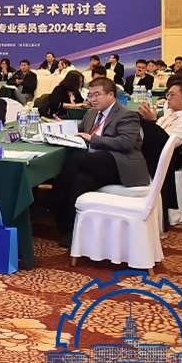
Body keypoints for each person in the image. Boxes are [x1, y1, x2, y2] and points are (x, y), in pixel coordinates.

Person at [49, 77, 146, 247]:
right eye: (90, 95)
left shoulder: (127, 115)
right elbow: (81, 130)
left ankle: (55, 202)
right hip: (96, 163)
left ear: (111, 95)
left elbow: (125, 143)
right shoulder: (91, 113)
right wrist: (63, 127)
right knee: (81, 180)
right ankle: (70, 228)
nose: (92, 99)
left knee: (76, 160)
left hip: (119, 163)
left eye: (97, 95)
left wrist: (93, 139)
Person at [136, 79, 182, 183]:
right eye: (168, 94)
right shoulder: (170, 112)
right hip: (152, 149)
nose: (168, 98)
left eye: (172, 95)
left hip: (165, 158)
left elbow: (167, 144)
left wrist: (151, 121)